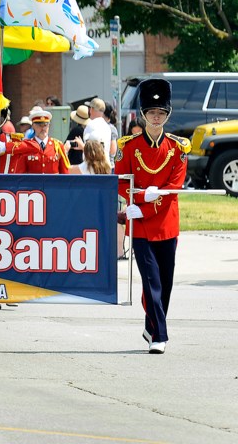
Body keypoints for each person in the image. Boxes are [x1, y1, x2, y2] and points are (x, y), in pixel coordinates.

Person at [114, 78, 189, 354]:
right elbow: (121, 180)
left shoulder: (179, 148)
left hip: (166, 222)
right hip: (142, 227)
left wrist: (144, 203)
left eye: (161, 113)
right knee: (151, 281)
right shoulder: (128, 146)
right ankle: (161, 335)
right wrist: (134, 199)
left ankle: (151, 326)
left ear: (167, 115)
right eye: (151, 113)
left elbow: (173, 189)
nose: (156, 118)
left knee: (165, 284)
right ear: (143, 115)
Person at [21, 110, 70, 174]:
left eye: (45, 125)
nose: (43, 128)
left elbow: (65, 173)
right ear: (33, 126)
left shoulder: (58, 146)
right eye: (39, 125)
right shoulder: (26, 146)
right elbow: (21, 174)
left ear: (49, 126)